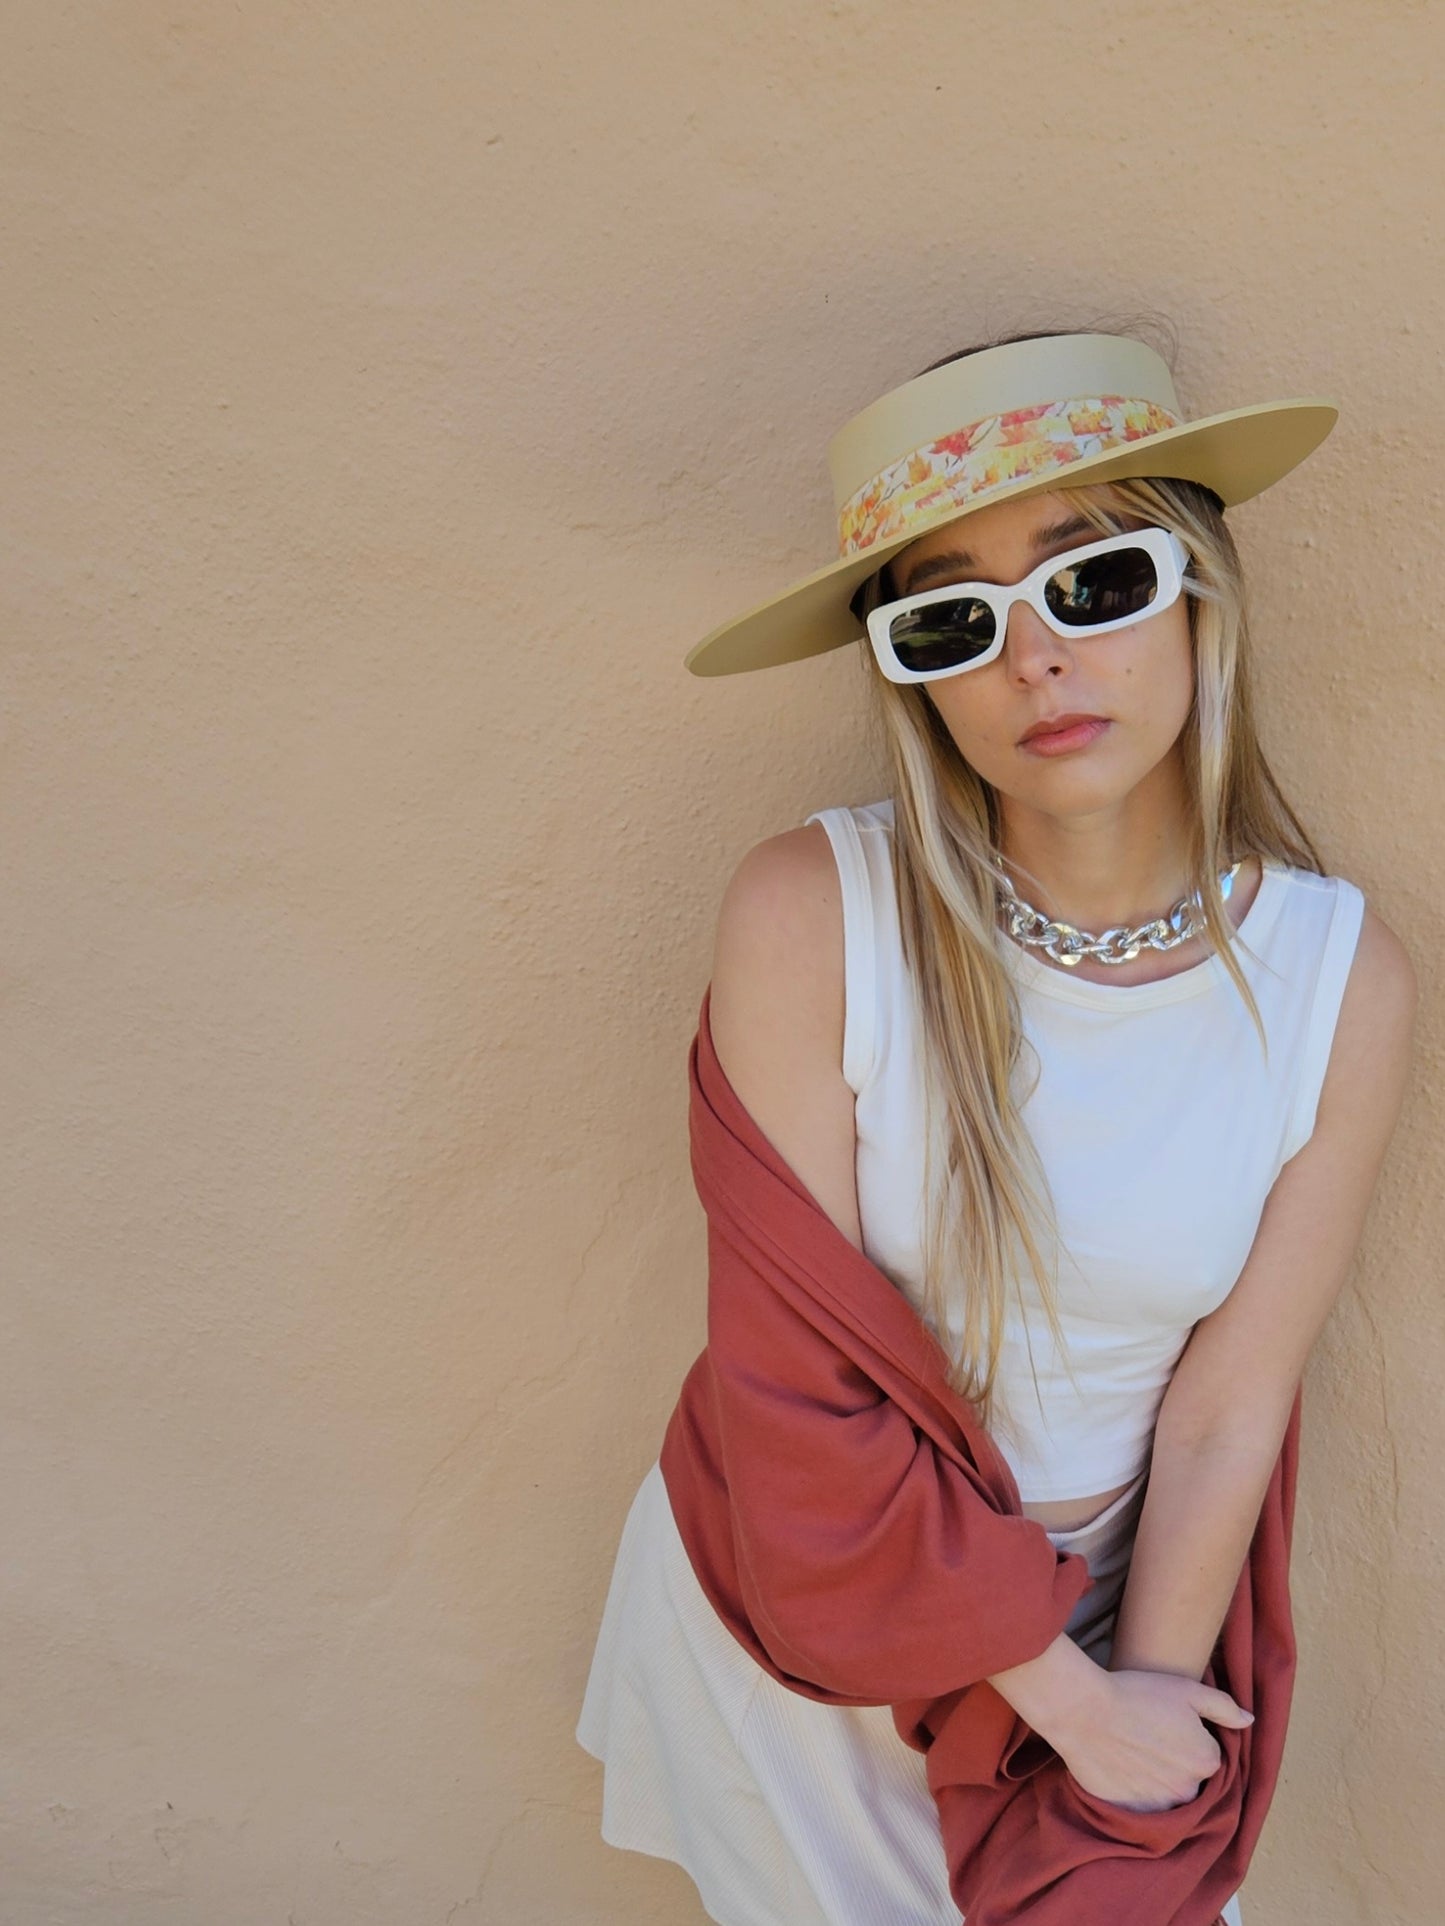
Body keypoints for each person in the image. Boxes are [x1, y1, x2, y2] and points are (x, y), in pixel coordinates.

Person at [574, 326, 1417, 1926]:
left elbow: (1230, 1405)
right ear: (915, 676)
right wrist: (1062, 1696)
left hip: (1119, 1616)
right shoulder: (814, 915)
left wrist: (1136, 1720)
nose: (1036, 659)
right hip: (808, 1607)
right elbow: (787, 1382)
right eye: (952, 618)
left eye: (1092, 582)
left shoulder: (1334, 982)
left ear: (1199, 591)